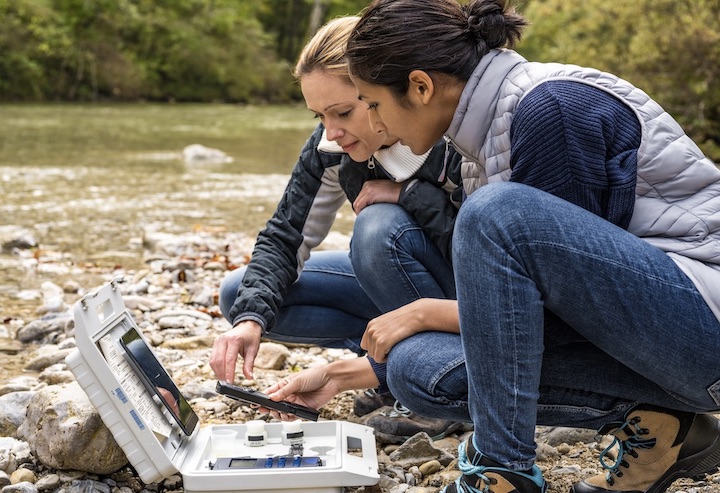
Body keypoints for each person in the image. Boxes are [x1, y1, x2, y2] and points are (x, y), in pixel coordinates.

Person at [267, 1, 720, 493]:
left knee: (494, 213)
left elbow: (558, 318)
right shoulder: (478, 139)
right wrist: (361, 368)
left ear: (420, 87)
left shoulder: (551, 109)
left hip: (702, 332)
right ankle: (667, 425)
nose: (376, 123)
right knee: (416, 369)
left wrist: (422, 313)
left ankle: (502, 471)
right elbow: (537, 314)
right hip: (658, 343)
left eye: (372, 104)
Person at [208, 16, 465, 440]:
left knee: (377, 229)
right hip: (398, 288)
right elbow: (285, 236)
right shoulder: (331, 145)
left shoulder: (450, 135)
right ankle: (383, 372)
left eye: (343, 111)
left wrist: (408, 195)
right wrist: (249, 321)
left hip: (462, 301)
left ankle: (437, 384)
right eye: (320, 115)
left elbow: (485, 253)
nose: (331, 131)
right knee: (240, 296)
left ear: (377, 89)